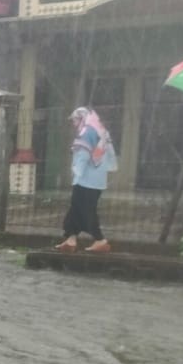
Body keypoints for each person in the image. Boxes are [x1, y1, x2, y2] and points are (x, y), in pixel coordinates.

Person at [55, 107, 113, 254]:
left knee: (86, 210)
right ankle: (70, 239)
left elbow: (83, 154)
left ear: (82, 118)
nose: (74, 123)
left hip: (86, 180)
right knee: (76, 208)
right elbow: (108, 155)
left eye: (75, 120)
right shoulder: (101, 131)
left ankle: (100, 240)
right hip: (97, 180)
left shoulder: (87, 132)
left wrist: (77, 171)